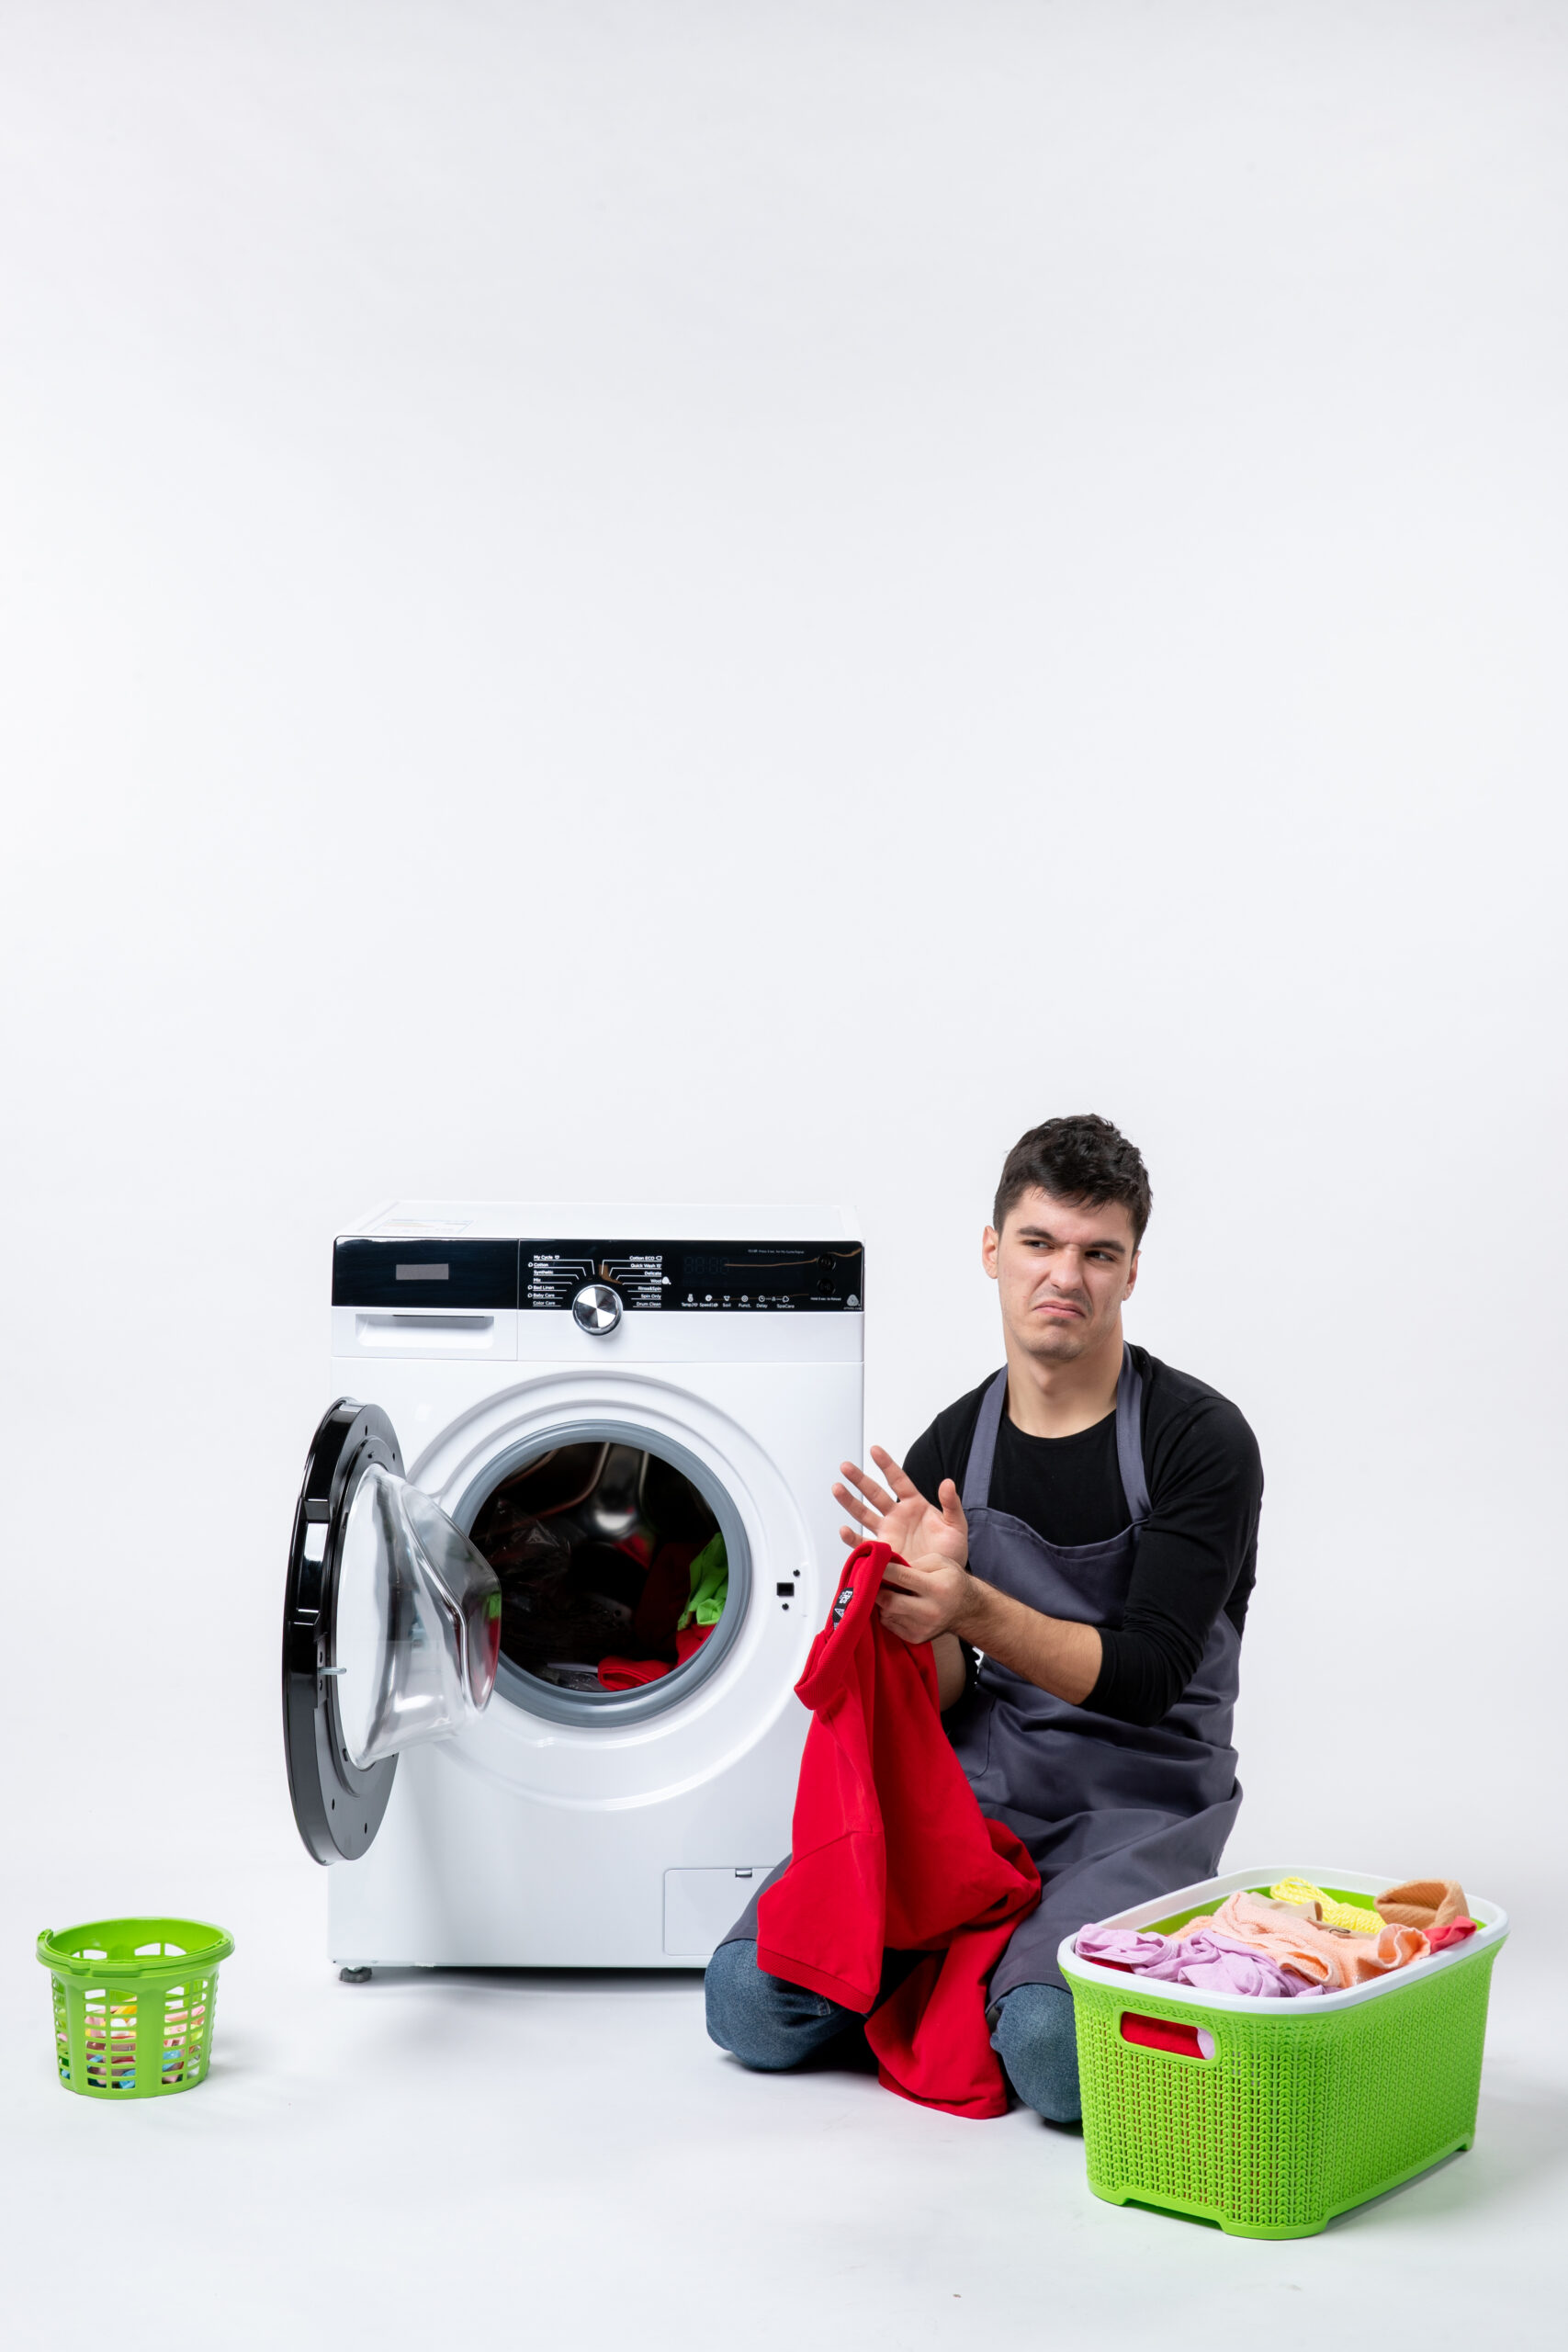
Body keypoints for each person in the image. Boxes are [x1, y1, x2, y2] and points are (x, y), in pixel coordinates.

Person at [705, 1114, 1263, 2122]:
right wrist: (909, 1627)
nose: (1067, 1276)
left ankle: (1015, 1970)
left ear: (1133, 1271)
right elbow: (953, 1679)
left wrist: (970, 1602)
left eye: (1100, 1252)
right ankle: (988, 1951)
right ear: (992, 1251)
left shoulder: (1199, 1440)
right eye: (1041, 1243)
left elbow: (1146, 1679)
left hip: (1138, 1809)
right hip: (979, 1799)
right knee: (748, 2001)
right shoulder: (955, 1442)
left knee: (1052, 2055)